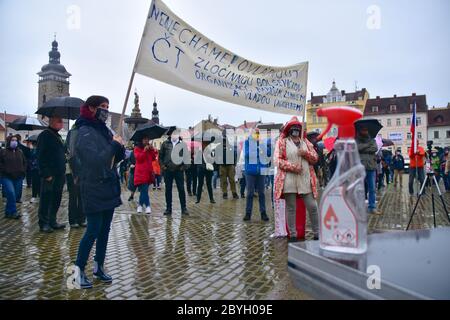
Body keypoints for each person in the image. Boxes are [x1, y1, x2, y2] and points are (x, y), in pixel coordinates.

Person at [72, 95, 125, 289]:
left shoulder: (104, 130)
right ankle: (78, 271)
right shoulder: (85, 131)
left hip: (108, 185)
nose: (106, 110)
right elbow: (95, 161)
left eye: (108, 106)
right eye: (103, 106)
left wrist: (119, 145)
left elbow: (114, 159)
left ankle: (98, 266)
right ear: (92, 108)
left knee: (105, 230)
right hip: (93, 185)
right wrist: (113, 145)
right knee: (93, 229)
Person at [274, 117, 319, 241]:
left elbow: (315, 158)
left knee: (313, 206)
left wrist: (305, 153)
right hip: (289, 180)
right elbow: (277, 160)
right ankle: (293, 235)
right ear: (289, 129)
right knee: (291, 208)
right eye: (293, 127)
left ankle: (317, 233)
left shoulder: (306, 142)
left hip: (305, 179)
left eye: (298, 127)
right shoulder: (282, 142)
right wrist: (293, 167)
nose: (295, 130)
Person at [36, 116, 67, 232]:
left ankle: (52, 221)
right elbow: (40, 156)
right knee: (46, 199)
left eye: (62, 121)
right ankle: (43, 223)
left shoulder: (58, 136)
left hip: (60, 174)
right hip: (50, 174)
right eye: (59, 121)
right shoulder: (45, 135)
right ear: (52, 122)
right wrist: (46, 173)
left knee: (56, 198)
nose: (62, 123)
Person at [159, 129, 189, 216]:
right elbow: (160, 156)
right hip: (168, 170)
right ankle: (168, 208)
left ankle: (183, 208)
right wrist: (163, 166)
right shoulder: (165, 144)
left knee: (181, 189)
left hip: (178, 170)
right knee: (168, 190)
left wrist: (183, 167)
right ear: (170, 135)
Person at [243, 129, 270, 222]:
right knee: (250, 193)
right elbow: (247, 154)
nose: (257, 135)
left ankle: (263, 213)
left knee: (262, 193)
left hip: (261, 171)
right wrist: (258, 151)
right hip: (250, 171)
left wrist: (268, 147)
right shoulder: (247, 142)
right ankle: (248, 213)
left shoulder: (262, 143)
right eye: (256, 134)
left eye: (258, 134)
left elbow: (267, 154)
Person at [0, 135, 27, 219]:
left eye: (16, 140)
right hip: (6, 176)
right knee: (11, 193)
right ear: (9, 141)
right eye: (12, 140)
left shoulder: (20, 152)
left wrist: (23, 171)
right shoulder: (3, 152)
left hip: (18, 177)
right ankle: (14, 212)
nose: (14, 142)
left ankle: (8, 212)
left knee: (14, 195)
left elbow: (24, 162)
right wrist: (4, 170)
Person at [356, 126, 381, 215]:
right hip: (360, 167)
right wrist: (367, 146)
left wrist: (363, 148)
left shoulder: (372, 140)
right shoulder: (356, 139)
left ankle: (372, 207)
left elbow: (375, 148)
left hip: (371, 167)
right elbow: (357, 148)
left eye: (366, 129)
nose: (365, 131)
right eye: (363, 129)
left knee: (372, 189)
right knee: (359, 189)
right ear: (360, 130)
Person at [66, 124, 86, 229]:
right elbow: (72, 154)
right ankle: (73, 220)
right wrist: (76, 173)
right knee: (74, 196)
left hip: (85, 170)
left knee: (82, 196)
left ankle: (82, 218)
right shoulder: (73, 132)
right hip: (73, 170)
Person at [133, 135, 157, 214]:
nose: (146, 141)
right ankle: (147, 206)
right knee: (144, 190)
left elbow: (153, 158)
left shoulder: (149, 149)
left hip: (148, 172)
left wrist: (152, 150)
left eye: (147, 139)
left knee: (144, 190)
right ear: (141, 140)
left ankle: (140, 205)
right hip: (140, 173)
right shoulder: (137, 149)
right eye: (145, 139)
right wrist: (144, 151)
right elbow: (139, 159)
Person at [217, 135, 239, 199]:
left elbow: (235, 155)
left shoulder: (231, 147)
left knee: (232, 180)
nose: (224, 142)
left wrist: (234, 164)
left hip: (230, 166)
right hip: (222, 166)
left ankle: (234, 193)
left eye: (225, 140)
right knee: (223, 181)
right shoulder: (218, 147)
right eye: (223, 140)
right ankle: (225, 193)